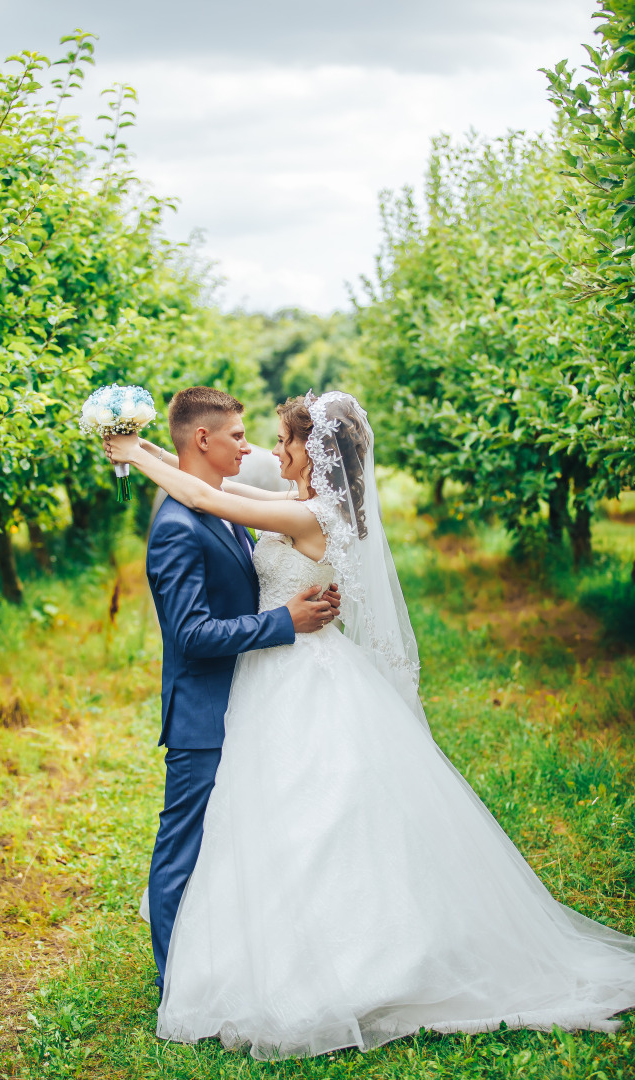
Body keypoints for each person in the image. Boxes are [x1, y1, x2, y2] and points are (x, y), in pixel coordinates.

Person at [105, 390, 635, 1061]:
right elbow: (208, 478)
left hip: (294, 673)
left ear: (314, 452)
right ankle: (250, 953)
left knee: (310, 819)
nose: (269, 451)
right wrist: (142, 446)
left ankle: (330, 961)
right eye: (249, 437)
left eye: (282, 442)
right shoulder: (311, 504)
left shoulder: (309, 513)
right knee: (279, 821)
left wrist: (133, 454)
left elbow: (210, 498)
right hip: (279, 672)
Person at [124, 386, 341, 1001]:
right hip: (204, 709)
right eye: (241, 437)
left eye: (268, 438)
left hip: (255, 698)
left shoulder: (217, 504)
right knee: (183, 848)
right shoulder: (177, 522)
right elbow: (190, 635)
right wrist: (284, 621)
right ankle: (176, 984)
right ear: (203, 440)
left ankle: (250, 964)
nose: (255, 449)